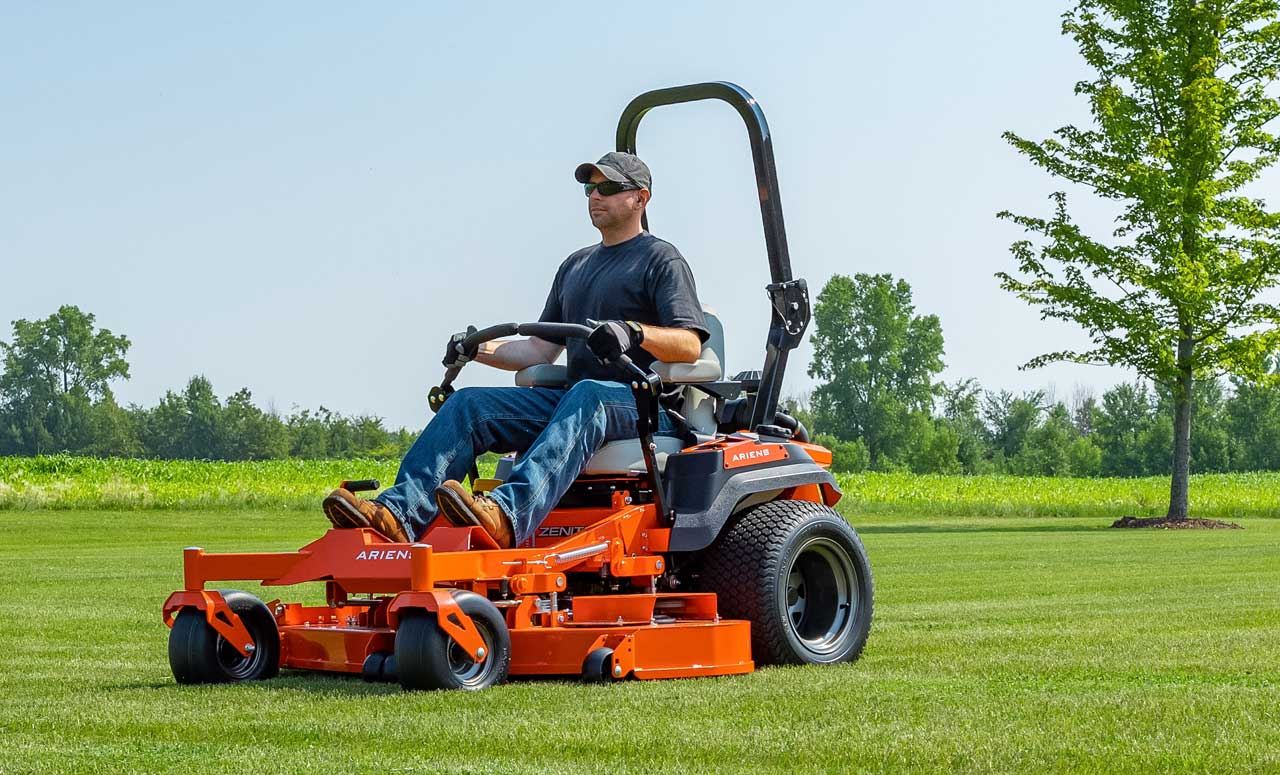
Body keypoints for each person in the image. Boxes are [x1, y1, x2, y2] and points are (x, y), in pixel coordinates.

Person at [323, 152, 708, 548]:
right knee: (470, 405)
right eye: (590, 188)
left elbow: (690, 345)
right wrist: (477, 349)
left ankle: (508, 513)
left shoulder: (661, 259)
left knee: (587, 392)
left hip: (643, 406)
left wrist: (633, 332)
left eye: (608, 188)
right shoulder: (574, 266)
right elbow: (539, 351)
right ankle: (399, 513)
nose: (595, 196)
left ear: (640, 198)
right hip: (575, 403)